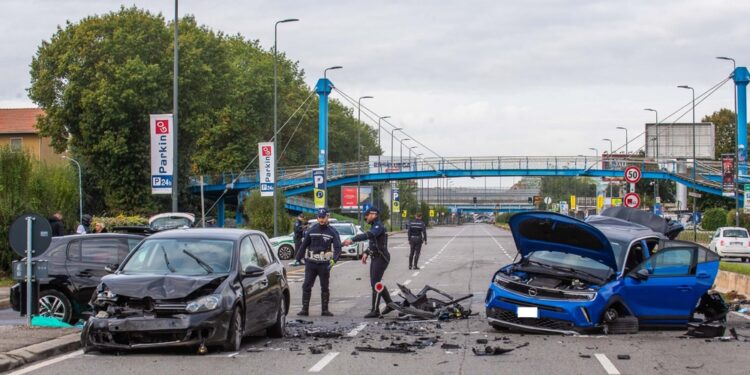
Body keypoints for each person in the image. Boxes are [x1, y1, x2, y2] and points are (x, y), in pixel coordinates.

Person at [343, 207, 395, 318]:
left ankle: (375, 310)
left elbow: (369, 235)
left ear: (373, 214)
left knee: (375, 283)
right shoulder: (375, 226)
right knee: (376, 282)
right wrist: (366, 252)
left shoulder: (378, 226)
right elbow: (374, 244)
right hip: (376, 257)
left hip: (381, 258)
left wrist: (353, 239)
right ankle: (390, 304)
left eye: (367, 215)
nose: (365, 217)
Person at [295, 208, 342, 317]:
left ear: (327, 217)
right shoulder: (311, 230)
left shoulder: (332, 232)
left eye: (323, 217)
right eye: (319, 217)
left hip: (324, 264)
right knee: (306, 285)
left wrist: (334, 260)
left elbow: (338, 248)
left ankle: (325, 310)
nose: (321, 219)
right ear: (317, 218)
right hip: (311, 263)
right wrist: (297, 258)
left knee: (324, 286)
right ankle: (304, 309)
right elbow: (303, 245)